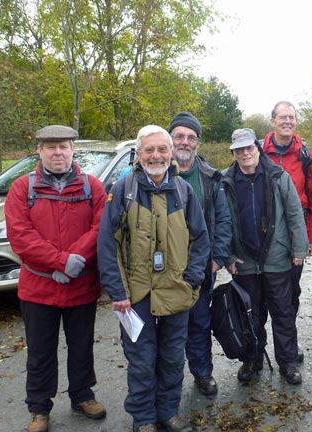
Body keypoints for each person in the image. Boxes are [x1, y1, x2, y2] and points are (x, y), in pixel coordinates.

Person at [97, 125, 209, 432]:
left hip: (176, 291)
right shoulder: (124, 189)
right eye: (149, 149)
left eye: (162, 149)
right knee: (142, 361)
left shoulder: (183, 190)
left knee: (173, 358)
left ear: (171, 152)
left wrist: (191, 280)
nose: (156, 155)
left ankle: (167, 413)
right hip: (135, 295)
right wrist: (117, 291)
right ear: (139, 153)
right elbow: (108, 245)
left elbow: (201, 239)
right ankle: (143, 418)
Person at [4, 125, 107, 432]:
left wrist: (76, 260)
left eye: (63, 146)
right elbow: (20, 236)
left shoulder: (92, 187)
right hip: (38, 288)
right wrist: (61, 262)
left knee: (81, 346)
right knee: (39, 352)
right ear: (39, 151)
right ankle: (39, 409)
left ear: (74, 149)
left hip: (82, 286)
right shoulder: (23, 188)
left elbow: (100, 229)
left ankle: (82, 395)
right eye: (51, 147)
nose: (58, 152)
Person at [222, 128, 309, 385]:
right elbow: (221, 222)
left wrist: (299, 250)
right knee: (250, 316)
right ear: (234, 153)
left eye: (249, 148)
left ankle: (288, 363)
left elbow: (295, 213)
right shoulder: (225, 181)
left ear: (258, 149)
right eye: (239, 150)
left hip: (277, 258)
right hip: (244, 262)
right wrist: (227, 257)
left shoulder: (278, 176)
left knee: (283, 313)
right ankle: (252, 360)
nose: (245, 153)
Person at [169, 112, 232, 397]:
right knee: (166, 330)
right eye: (179, 136)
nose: (185, 142)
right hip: (162, 270)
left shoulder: (210, 177)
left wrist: (217, 258)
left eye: (191, 137)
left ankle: (202, 373)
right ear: (170, 139)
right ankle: (166, 383)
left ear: (198, 143)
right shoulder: (153, 172)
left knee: (199, 322)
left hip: (200, 265)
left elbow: (223, 219)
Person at [261, 101, 312, 363]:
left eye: (292, 117)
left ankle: (288, 347)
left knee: (290, 294)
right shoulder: (258, 151)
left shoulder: (304, 154)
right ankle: (257, 348)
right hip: (263, 237)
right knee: (261, 296)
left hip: (293, 238)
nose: (287, 121)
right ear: (272, 120)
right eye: (282, 117)